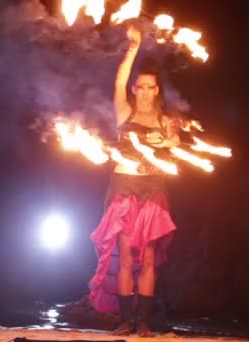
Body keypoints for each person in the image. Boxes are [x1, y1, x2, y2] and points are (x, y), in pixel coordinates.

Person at [88, 25, 180, 337]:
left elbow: (177, 143)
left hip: (153, 189)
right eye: (139, 86)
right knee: (126, 256)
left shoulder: (167, 120)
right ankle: (126, 321)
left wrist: (168, 143)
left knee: (149, 257)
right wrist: (133, 48)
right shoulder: (123, 113)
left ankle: (146, 323)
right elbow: (118, 81)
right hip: (124, 187)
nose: (142, 91)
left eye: (149, 87)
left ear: (157, 91)